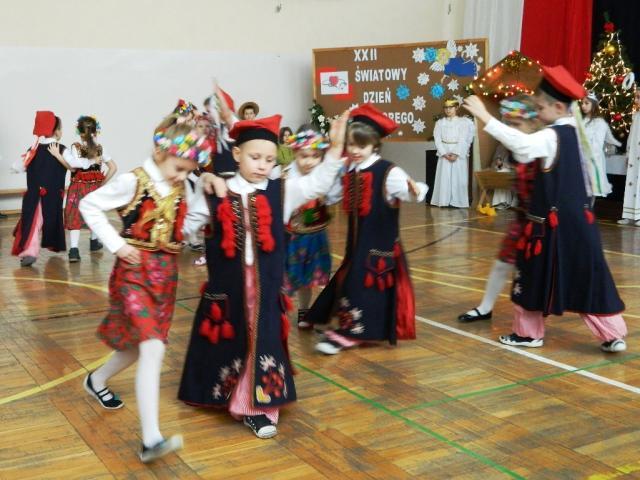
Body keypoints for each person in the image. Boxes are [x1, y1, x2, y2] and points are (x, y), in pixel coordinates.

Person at [178, 112, 349, 439]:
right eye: (255, 157)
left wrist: (336, 148)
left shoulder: (282, 191)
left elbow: (318, 183)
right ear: (237, 154)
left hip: (265, 289)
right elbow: (185, 228)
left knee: (262, 339)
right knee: (229, 339)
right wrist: (200, 181)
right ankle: (219, 392)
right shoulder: (216, 191)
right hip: (228, 289)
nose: (262, 165)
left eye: (269, 160)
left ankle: (256, 408)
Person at [463, 65, 627, 353]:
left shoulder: (553, 135)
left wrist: (484, 116)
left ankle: (528, 335)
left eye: (540, 107)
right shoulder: (575, 132)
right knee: (586, 275)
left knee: (533, 277)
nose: (536, 113)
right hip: (580, 224)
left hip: (548, 226)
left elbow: (523, 147)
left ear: (559, 107)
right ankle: (612, 335)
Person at [79, 122, 212, 463]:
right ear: (159, 152)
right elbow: (89, 205)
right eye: (179, 168)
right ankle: (151, 439)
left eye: (189, 171)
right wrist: (117, 245)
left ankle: (96, 380)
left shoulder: (182, 186)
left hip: (165, 279)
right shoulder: (132, 181)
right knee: (153, 347)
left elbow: (186, 228)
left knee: (136, 348)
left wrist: (205, 198)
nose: (183, 176)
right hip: (133, 275)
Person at [304, 104, 428, 355]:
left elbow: (413, 191)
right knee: (350, 280)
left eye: (361, 145)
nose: (355, 151)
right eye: (351, 145)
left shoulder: (388, 171)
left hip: (379, 247)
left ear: (375, 145)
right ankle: (336, 321)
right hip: (356, 245)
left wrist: (415, 190)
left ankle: (350, 334)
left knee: (362, 286)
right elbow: (334, 195)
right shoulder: (350, 169)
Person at [458, 96, 542, 322]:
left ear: (533, 122)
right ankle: (485, 307)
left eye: (517, 124)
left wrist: (484, 116)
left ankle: (607, 328)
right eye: (509, 124)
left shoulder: (539, 145)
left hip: (545, 224)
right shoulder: (518, 147)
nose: (512, 129)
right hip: (524, 219)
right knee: (502, 263)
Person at [282, 124, 336, 328]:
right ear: (295, 153)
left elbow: (332, 199)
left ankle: (305, 311)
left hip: (315, 235)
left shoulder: (324, 176)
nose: (309, 161)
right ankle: (277, 312)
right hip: (292, 237)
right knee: (288, 277)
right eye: (304, 156)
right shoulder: (286, 176)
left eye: (315, 156)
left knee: (309, 278)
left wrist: (325, 197)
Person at [55, 115, 117, 262]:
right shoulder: (101, 149)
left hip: (78, 187)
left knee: (74, 215)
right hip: (95, 188)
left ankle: (74, 250)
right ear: (96, 131)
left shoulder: (75, 147)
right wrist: (102, 183)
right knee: (94, 213)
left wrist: (59, 156)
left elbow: (73, 166)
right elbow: (113, 168)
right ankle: (94, 242)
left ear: (79, 132)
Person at [11, 111, 69, 267]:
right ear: (56, 131)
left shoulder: (33, 149)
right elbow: (74, 165)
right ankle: (30, 252)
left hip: (34, 195)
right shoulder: (62, 149)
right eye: (61, 129)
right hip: (50, 197)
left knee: (34, 222)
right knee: (43, 221)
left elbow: (17, 167)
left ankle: (30, 251)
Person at [430, 99, 475, 208]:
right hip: (445, 152)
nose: (448, 110)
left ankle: (458, 201)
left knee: (458, 177)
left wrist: (456, 153)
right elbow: (437, 139)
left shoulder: (463, 122)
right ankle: (444, 200)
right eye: (446, 108)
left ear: (456, 108)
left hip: (458, 152)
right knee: (444, 176)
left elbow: (464, 139)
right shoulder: (440, 123)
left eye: (451, 107)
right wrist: (444, 153)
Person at [580, 91, 621, 198]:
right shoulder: (583, 121)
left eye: (586, 103)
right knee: (582, 189)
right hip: (581, 159)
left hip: (593, 159)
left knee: (592, 189)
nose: (583, 106)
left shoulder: (599, 123)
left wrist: (589, 157)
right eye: (582, 103)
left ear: (594, 105)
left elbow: (597, 144)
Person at [619, 88, 640, 225]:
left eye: (639, 97)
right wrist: (627, 153)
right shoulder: (636, 116)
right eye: (636, 97)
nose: (636, 100)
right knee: (631, 183)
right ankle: (628, 214)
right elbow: (631, 137)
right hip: (634, 155)